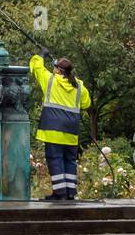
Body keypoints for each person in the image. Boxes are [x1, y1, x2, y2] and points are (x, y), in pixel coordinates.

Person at [30, 51, 91, 201]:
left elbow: (36, 67)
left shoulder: (50, 80)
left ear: (58, 70)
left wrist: (41, 55)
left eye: (55, 67)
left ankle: (59, 193)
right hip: (71, 131)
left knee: (55, 159)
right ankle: (70, 192)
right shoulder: (79, 86)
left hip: (52, 130)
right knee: (70, 160)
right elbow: (86, 104)